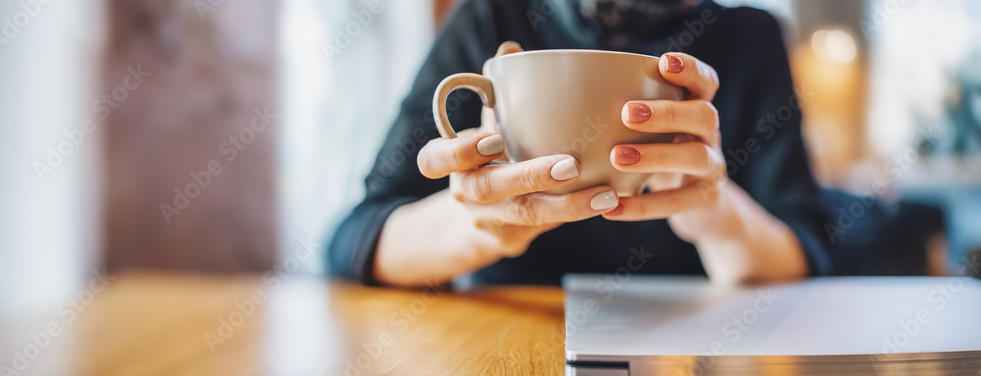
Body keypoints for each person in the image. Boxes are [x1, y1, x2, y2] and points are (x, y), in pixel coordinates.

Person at [328, 0, 834, 287]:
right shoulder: (492, 17)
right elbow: (353, 241)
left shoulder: (749, 37)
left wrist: (713, 212)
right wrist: (483, 221)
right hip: (505, 342)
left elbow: (807, 254)